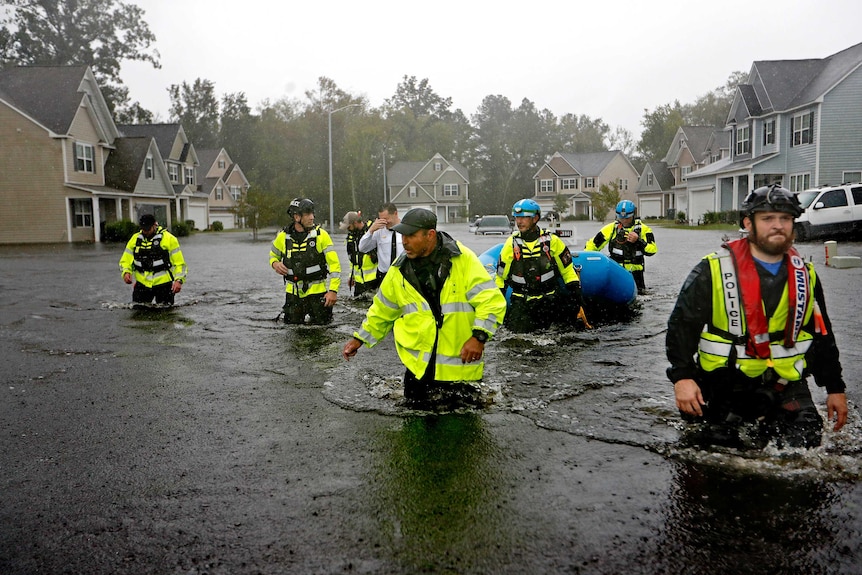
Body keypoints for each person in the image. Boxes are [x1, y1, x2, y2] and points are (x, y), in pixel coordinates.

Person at [666, 184, 848, 449]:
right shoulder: (713, 270)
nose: (778, 226)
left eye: (785, 219)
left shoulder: (806, 274)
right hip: (724, 384)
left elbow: (822, 334)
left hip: (784, 383)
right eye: (768, 218)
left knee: (805, 443)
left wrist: (835, 388)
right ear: (748, 223)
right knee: (715, 452)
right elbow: (681, 327)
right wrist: (683, 379)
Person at [342, 208, 507, 407]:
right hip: (418, 369)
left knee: (462, 433)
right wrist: (359, 338)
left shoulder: (462, 260)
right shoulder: (399, 270)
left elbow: (491, 300)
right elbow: (382, 310)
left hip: (460, 370)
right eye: (403, 235)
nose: (404, 242)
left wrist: (479, 336)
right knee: (414, 428)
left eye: (411, 236)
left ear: (430, 235)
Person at [495, 199, 584, 332]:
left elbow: (567, 272)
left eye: (524, 217)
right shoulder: (511, 244)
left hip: (549, 300)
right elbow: (501, 278)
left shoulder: (552, 241)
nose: (519, 222)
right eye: (517, 218)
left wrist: (576, 297)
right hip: (521, 302)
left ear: (535, 218)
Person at [269, 198, 341, 324]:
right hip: (293, 295)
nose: (312, 217)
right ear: (296, 217)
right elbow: (273, 255)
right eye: (307, 214)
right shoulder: (283, 237)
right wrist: (275, 263)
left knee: (323, 332)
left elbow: (334, 265)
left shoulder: (321, 236)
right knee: (292, 332)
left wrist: (333, 291)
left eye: (312, 213)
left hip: (318, 295)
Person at [585, 200, 657, 294]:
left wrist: (638, 241)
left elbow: (652, 250)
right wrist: (585, 258)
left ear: (633, 215)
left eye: (627, 218)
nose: (624, 221)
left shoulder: (644, 229)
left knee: (641, 295)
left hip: (636, 274)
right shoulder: (611, 228)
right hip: (617, 271)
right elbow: (593, 244)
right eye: (621, 218)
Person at [119, 213, 187, 306]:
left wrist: (178, 281)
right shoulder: (135, 239)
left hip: (164, 285)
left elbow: (179, 263)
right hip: (142, 284)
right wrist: (126, 272)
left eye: (148, 229)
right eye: (143, 229)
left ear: (155, 225)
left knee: (166, 314)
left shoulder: (169, 239)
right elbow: (126, 260)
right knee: (137, 313)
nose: (146, 232)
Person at [358, 202, 404, 279]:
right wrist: (371, 231)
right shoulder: (378, 231)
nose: (384, 222)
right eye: (381, 219)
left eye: (386, 219)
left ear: (395, 213)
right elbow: (362, 248)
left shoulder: (406, 230)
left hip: (403, 274)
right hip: (384, 276)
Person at [340, 211, 379, 297]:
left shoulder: (372, 233)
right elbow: (352, 260)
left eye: (349, 227)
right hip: (359, 284)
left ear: (355, 223)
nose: (348, 229)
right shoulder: (351, 238)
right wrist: (351, 276)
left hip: (375, 281)